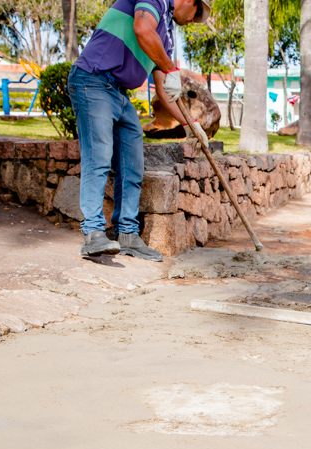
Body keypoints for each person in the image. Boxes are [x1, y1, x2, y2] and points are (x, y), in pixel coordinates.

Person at [69, 0, 211, 259]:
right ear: (190, 1)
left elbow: (165, 92)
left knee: (132, 166)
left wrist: (192, 125)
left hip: (120, 94)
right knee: (98, 158)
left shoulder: (166, 36)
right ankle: (93, 234)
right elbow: (142, 29)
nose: (192, 21)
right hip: (93, 80)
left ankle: (127, 236)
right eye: (196, 14)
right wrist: (171, 68)